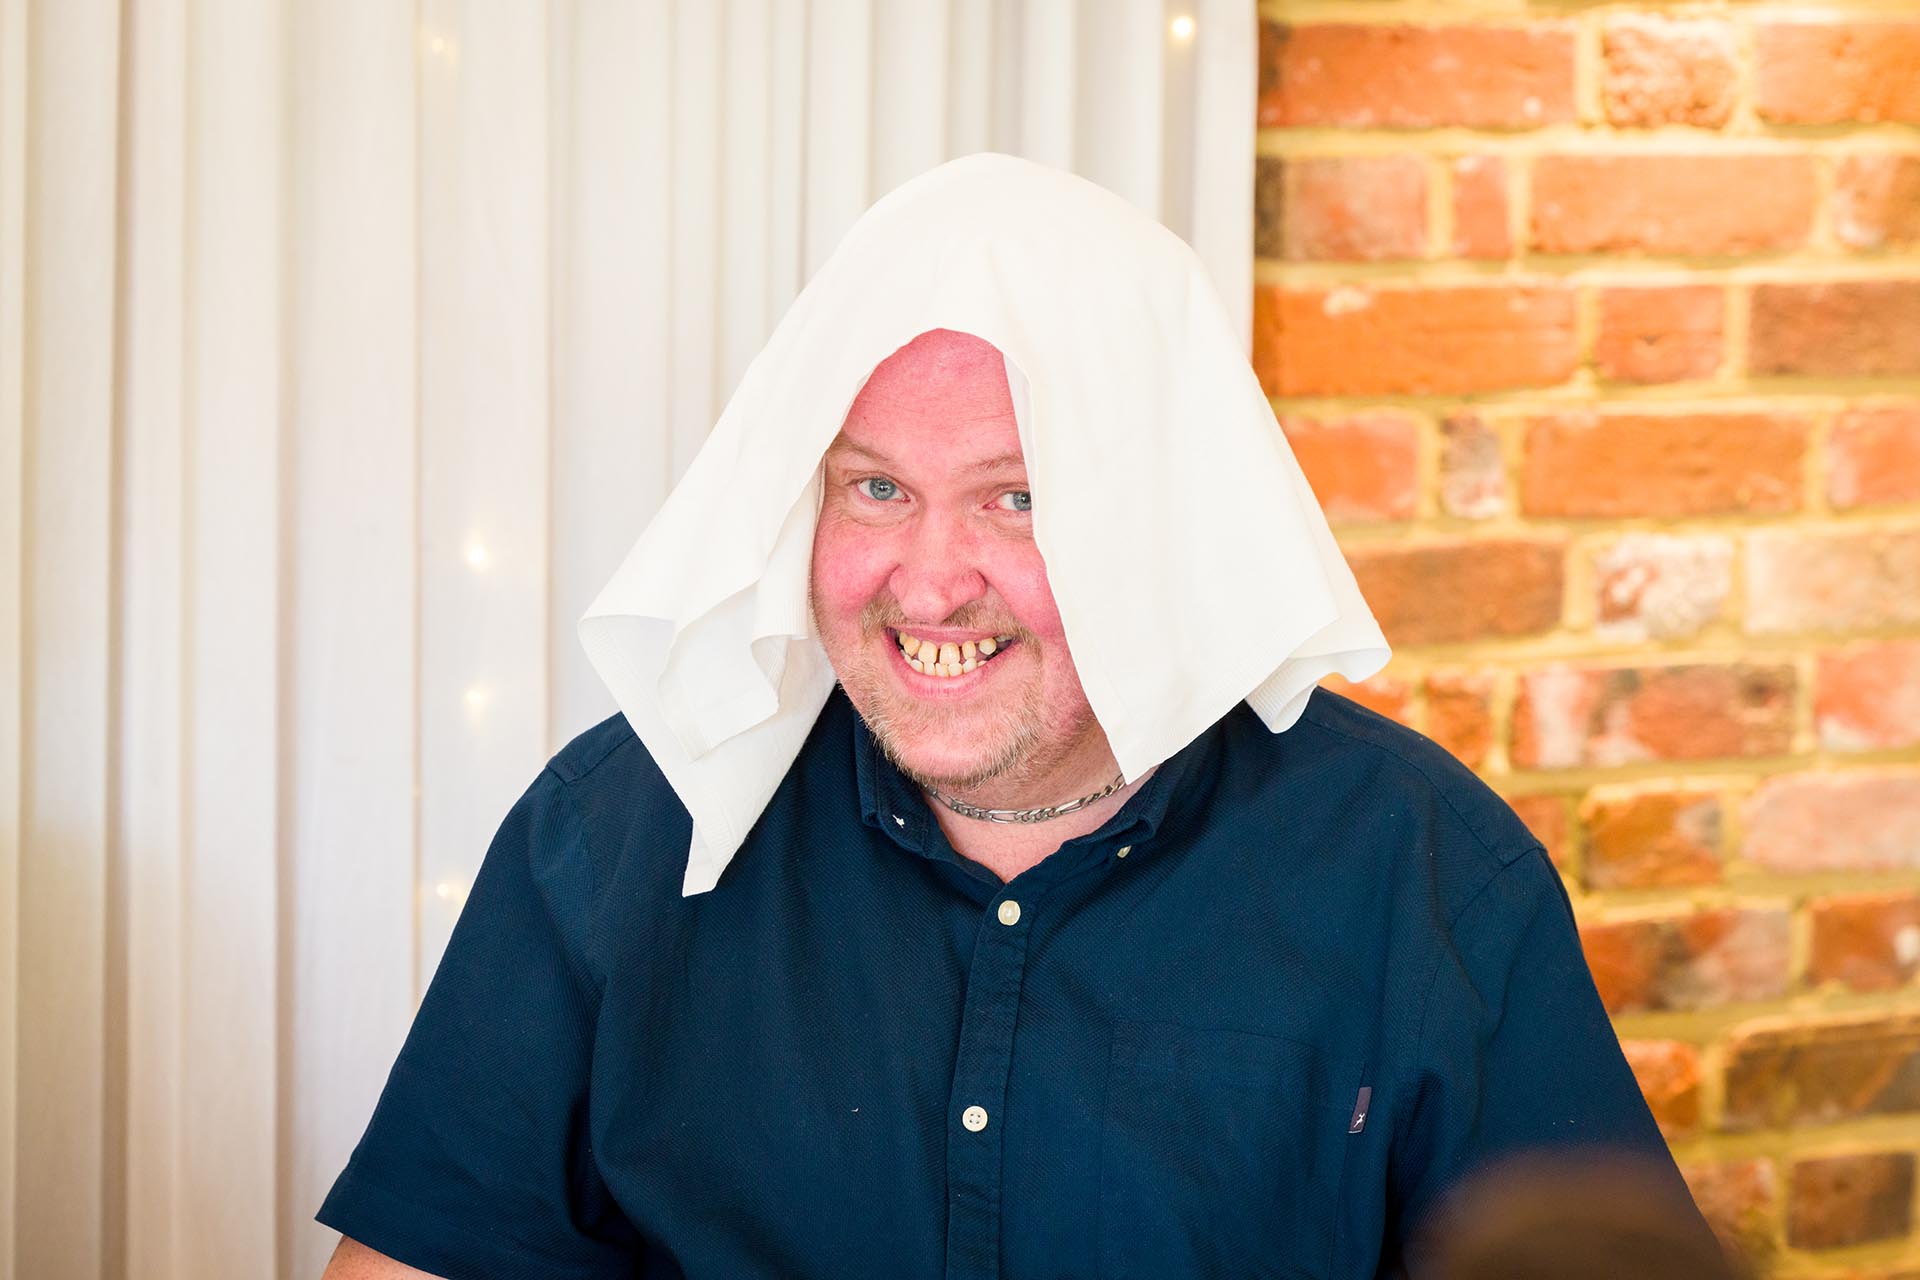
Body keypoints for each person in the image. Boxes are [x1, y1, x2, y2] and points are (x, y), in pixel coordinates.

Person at [318, 155, 1716, 1279]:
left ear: (1156, 525)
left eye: (1019, 499)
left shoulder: (1425, 876)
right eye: (875, 489)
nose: (928, 582)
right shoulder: (616, 831)